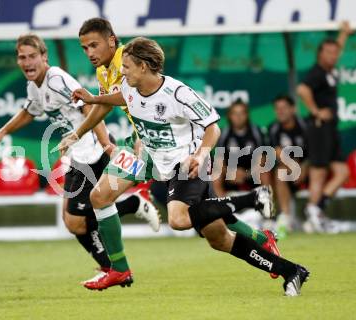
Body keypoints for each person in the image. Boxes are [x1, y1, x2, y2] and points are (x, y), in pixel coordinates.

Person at [63, 37, 309, 296]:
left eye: (126, 66)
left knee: (183, 222)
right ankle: (287, 266)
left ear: (144, 67)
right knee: (217, 237)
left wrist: (201, 156)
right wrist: (92, 100)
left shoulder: (178, 94)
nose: (121, 71)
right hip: (153, 159)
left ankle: (253, 201)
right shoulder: (129, 86)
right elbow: (120, 97)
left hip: (188, 163)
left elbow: (212, 127)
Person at [0, 34, 160, 283]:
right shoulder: (35, 86)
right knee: (74, 220)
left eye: (32, 56)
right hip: (80, 153)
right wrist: (2, 132)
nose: (27, 62)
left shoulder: (56, 79)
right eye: (22, 57)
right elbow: (29, 112)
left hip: (91, 151)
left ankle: (129, 217)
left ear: (44, 57)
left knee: (77, 221)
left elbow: (89, 107)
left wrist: (106, 145)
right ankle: (113, 264)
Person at [297, 22, 353, 232]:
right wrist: (315, 111)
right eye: (328, 52)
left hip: (331, 129)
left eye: (335, 53)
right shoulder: (317, 72)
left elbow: (336, 48)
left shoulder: (329, 71)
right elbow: (302, 89)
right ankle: (314, 215)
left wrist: (343, 35)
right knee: (318, 174)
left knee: (342, 171)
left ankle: (316, 209)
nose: (333, 55)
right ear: (320, 55)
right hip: (319, 128)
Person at [213, 99, 272, 197]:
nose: (238, 117)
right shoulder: (223, 133)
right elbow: (219, 162)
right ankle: (222, 209)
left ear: (247, 115)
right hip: (230, 174)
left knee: (265, 172)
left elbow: (262, 161)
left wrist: (245, 174)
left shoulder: (256, 131)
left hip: (252, 173)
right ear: (229, 116)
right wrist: (230, 172)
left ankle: (266, 208)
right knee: (215, 174)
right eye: (235, 114)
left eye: (241, 113)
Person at [269, 94, 308, 237]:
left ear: (293, 109)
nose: (280, 111)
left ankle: (315, 212)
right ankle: (285, 218)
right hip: (289, 170)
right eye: (277, 108)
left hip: (308, 169)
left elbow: (315, 153)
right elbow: (277, 151)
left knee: (318, 169)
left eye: (284, 108)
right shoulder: (274, 128)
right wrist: (294, 167)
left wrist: (304, 167)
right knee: (280, 173)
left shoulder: (305, 126)